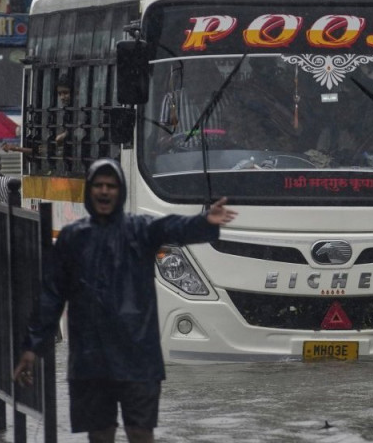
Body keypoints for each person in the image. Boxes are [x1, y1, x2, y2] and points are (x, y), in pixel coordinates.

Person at [13, 158, 237, 443]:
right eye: (98, 185)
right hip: (90, 358)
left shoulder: (140, 229)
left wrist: (203, 222)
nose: (104, 192)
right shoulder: (73, 238)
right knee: (100, 433)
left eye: (111, 186)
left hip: (138, 354)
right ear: (89, 191)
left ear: (121, 192)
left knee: (141, 432)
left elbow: (172, 227)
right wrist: (31, 348)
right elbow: (51, 296)